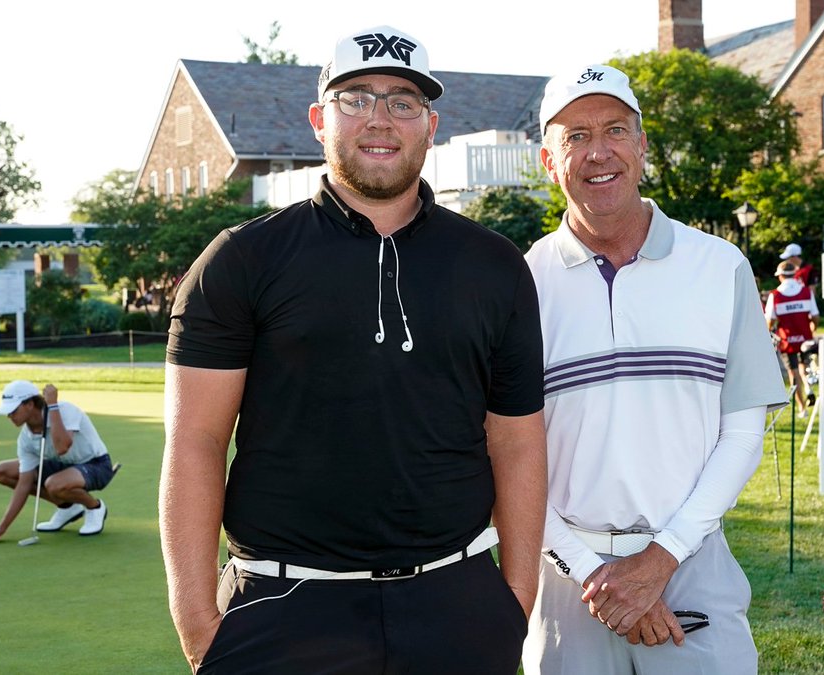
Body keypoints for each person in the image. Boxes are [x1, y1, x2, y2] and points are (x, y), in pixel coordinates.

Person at [159, 25, 547, 674]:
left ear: (431, 126)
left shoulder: (495, 265)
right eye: (356, 98)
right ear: (319, 120)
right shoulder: (241, 259)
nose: (380, 118)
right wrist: (200, 625)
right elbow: (196, 440)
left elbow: (517, 439)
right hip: (283, 608)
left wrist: (516, 601)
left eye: (403, 101)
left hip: (458, 608)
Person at [521, 64, 787, 675]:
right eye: (576, 136)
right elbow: (506, 453)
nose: (599, 152)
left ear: (642, 145)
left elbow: (743, 434)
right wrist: (593, 574)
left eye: (615, 130)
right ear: (548, 161)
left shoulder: (720, 266)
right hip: (566, 577)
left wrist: (660, 560)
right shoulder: (517, 283)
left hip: (693, 558)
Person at [0, 380, 113, 541]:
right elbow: (24, 484)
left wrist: (52, 406)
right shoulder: (25, 438)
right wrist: (2, 526)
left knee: (54, 484)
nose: (9, 415)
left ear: (30, 404)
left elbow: (62, 447)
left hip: (96, 464)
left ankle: (95, 507)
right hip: (62, 466)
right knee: (2, 471)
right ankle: (67, 507)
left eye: (13, 410)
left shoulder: (65, 410)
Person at [766, 259, 820, 417]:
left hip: (786, 340)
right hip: (805, 339)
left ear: (780, 276)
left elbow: (770, 320)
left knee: (793, 372)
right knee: (804, 366)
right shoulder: (806, 292)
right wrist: (813, 327)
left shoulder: (775, 295)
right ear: (795, 274)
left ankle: (802, 409)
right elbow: (815, 316)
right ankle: (808, 387)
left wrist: (770, 330)